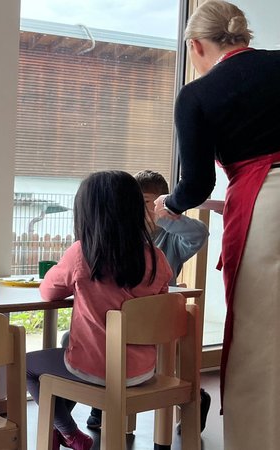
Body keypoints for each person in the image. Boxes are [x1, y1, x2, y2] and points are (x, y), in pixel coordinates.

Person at [152, 1, 280, 447]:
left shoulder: (197, 95)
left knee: (260, 341)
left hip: (266, 207)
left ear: (195, 46)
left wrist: (169, 203)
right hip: (261, 197)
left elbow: (196, 182)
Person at [27, 171, 173, 450]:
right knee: (69, 341)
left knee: (27, 367)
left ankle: (69, 432)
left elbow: (48, 292)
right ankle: (59, 426)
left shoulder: (82, 253)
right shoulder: (157, 259)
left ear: (87, 214)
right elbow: (158, 309)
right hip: (143, 370)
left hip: (99, 371)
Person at [84, 169, 211, 431]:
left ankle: (197, 398)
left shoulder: (171, 241)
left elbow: (199, 234)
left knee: (142, 357)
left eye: (148, 203)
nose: (141, 209)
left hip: (154, 324)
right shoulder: (119, 237)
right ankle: (101, 404)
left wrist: (165, 216)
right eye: (136, 202)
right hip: (119, 319)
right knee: (94, 341)